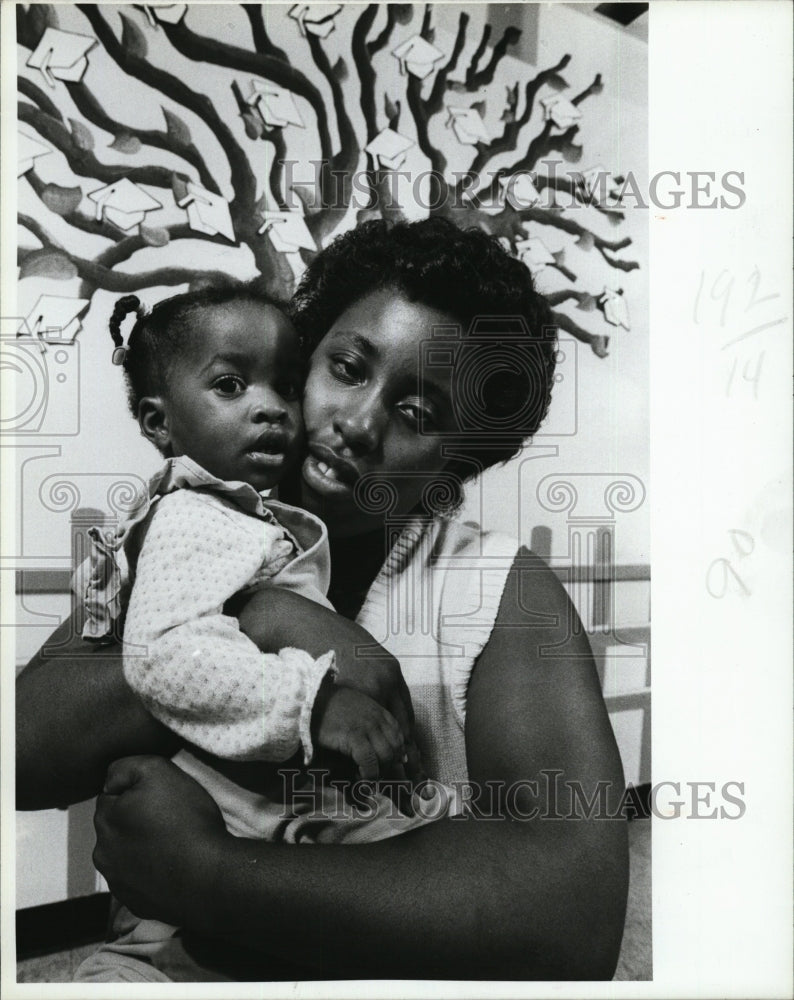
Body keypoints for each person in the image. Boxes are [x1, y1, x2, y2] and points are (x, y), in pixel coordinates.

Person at [17, 218, 629, 981]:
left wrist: (210, 874)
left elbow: (573, 921)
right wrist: (261, 617)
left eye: (418, 414)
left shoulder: (492, 586)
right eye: (346, 367)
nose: (359, 423)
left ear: (457, 464)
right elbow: (24, 755)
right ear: (300, 359)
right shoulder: (186, 522)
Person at [72, 286, 448, 981]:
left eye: (281, 381)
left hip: (260, 820)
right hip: (220, 818)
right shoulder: (196, 514)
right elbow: (162, 655)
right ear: (160, 422)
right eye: (230, 385)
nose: (270, 405)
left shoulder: (243, 512)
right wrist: (316, 704)